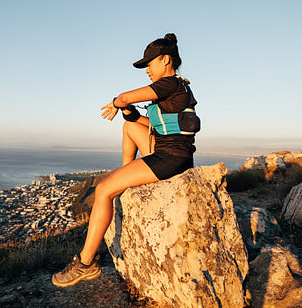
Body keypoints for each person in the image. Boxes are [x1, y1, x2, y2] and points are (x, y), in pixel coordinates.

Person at [52, 33, 199, 287]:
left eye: (149, 64)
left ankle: (85, 264)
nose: (147, 70)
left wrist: (117, 102)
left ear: (165, 59)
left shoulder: (170, 84)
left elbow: (124, 97)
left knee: (103, 189)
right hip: (169, 149)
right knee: (129, 129)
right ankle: (126, 174)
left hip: (170, 157)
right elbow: (138, 121)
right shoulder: (175, 86)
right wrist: (126, 111)